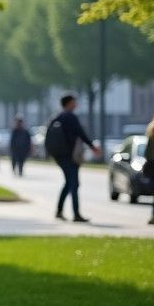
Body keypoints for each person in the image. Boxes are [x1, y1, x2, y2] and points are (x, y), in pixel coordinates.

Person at [46, 94, 98, 223]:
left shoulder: (56, 118)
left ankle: (59, 210)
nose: (76, 104)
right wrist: (93, 146)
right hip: (70, 156)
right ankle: (76, 214)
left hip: (59, 156)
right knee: (74, 183)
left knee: (69, 183)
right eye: (74, 102)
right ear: (68, 103)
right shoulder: (71, 117)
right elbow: (81, 133)